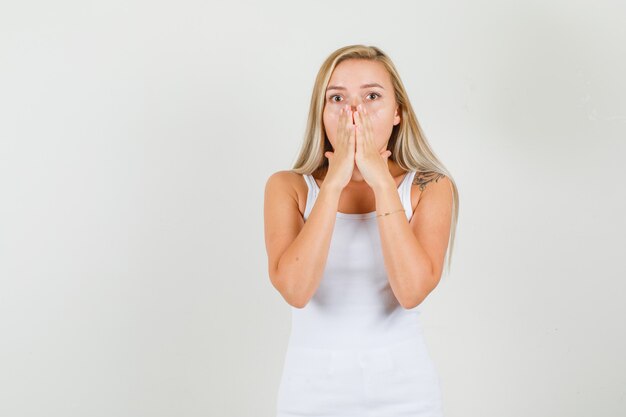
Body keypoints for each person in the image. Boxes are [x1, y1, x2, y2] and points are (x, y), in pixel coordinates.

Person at [264, 44, 459, 416]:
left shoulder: (430, 186)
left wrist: (382, 183)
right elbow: (295, 289)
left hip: (406, 392)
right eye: (337, 97)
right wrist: (334, 182)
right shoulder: (287, 187)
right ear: (321, 113)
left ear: (398, 111)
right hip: (310, 392)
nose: (354, 112)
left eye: (372, 96)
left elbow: (412, 291)